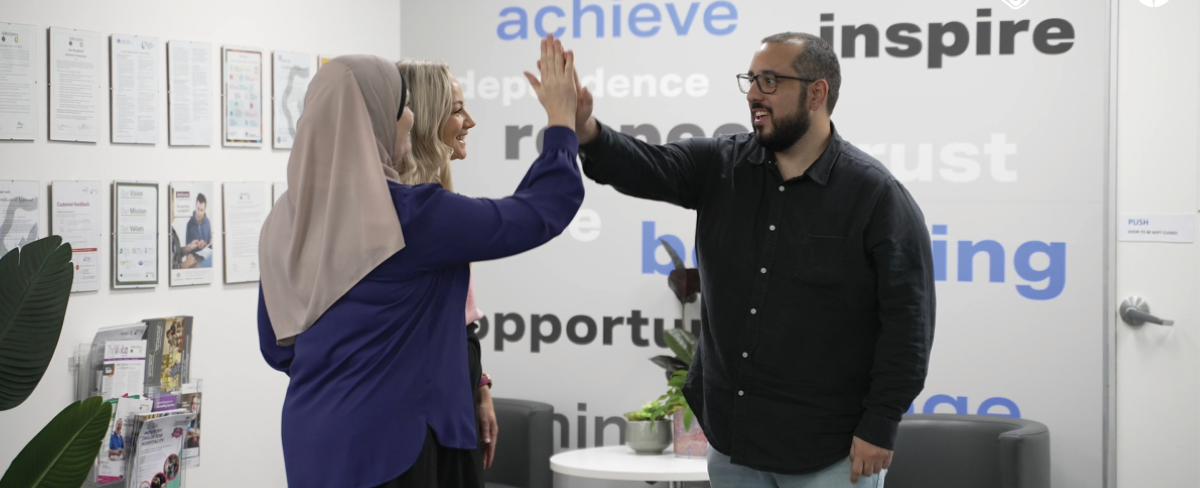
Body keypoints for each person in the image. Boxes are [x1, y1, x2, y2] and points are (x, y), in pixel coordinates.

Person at [574, 32, 935, 487]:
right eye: (750, 79)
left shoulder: (875, 196)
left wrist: (881, 422)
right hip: (734, 445)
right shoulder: (720, 166)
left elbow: (909, 325)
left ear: (817, 93)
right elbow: (648, 164)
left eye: (769, 81)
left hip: (830, 451)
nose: (752, 94)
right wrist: (587, 131)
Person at [257, 38, 582, 488]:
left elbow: (277, 347)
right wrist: (562, 121)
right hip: (391, 446)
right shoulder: (407, 216)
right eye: (402, 105)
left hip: (311, 437)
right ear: (371, 120)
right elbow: (537, 212)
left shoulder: (282, 222)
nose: (410, 117)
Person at [395, 59, 497, 482]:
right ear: (424, 120)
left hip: (458, 383)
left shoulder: (442, 199)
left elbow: (462, 318)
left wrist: (482, 387)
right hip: (415, 404)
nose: (470, 120)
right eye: (457, 110)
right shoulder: (401, 211)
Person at [182, 193, 212, 267]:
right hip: (194, 262)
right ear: (195, 206)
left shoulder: (208, 222)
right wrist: (191, 246)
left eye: (201, 210)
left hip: (206, 261)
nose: (199, 213)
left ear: (205, 209)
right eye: (198, 209)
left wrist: (205, 244)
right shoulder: (189, 224)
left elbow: (210, 243)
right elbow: (186, 250)